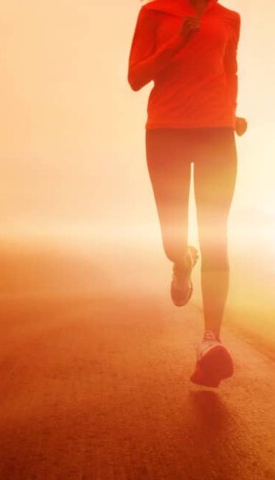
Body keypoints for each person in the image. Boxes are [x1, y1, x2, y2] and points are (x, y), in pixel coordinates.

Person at [128, 0, 247, 387]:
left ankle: (210, 341)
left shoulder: (229, 18)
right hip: (166, 132)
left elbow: (229, 74)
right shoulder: (154, 13)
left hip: (216, 133)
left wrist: (230, 114)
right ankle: (182, 260)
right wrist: (176, 42)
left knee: (216, 234)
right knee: (172, 241)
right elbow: (135, 77)